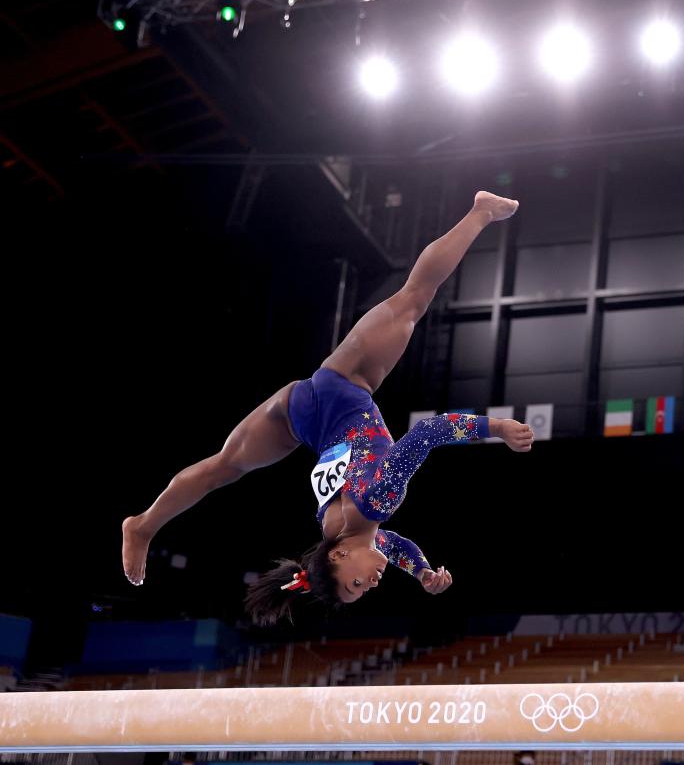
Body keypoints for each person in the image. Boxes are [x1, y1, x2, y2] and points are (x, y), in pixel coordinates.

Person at [121, 191, 534, 624]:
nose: (370, 585)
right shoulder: (338, 530)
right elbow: (392, 548)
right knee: (223, 467)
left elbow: (427, 434)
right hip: (299, 417)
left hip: (345, 384)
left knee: (415, 297)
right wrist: (424, 572)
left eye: (354, 584)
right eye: (362, 591)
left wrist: (498, 427)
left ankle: (480, 211)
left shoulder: (378, 500)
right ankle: (143, 524)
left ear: (337, 555)